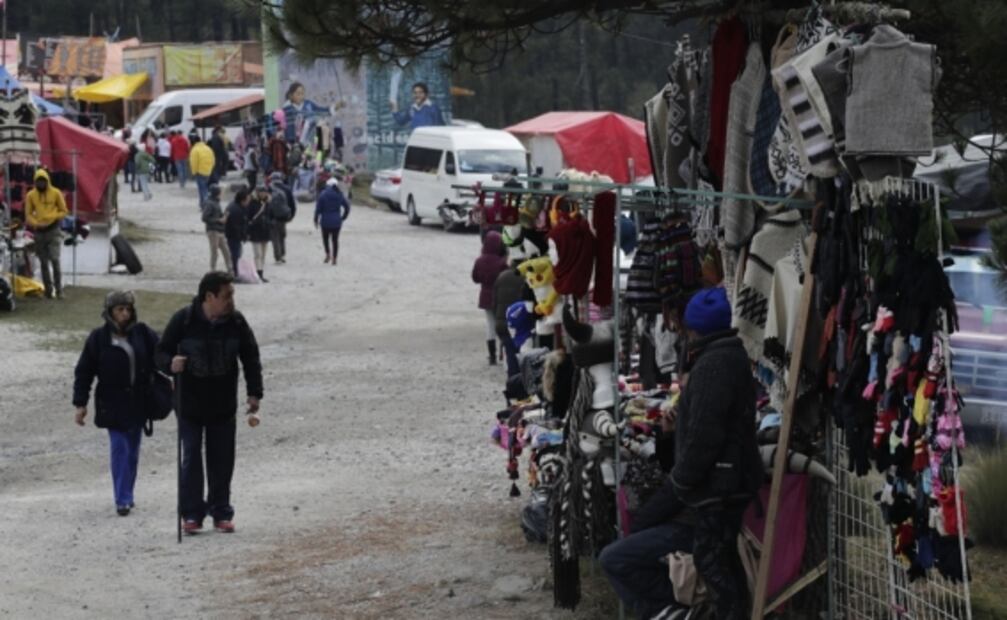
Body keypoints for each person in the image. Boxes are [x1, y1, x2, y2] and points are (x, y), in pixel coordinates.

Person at [670, 287, 763, 620]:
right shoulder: (728, 355)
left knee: (712, 561)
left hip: (721, 483)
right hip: (729, 477)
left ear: (697, 328)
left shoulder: (714, 364)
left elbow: (705, 435)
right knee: (723, 560)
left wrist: (682, 478)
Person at [157, 272, 263, 534]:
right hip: (189, 404)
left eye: (232, 295)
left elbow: (250, 357)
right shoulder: (183, 320)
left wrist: (254, 393)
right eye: (226, 296)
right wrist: (170, 364)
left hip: (223, 404)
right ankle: (192, 513)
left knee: (222, 459)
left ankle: (221, 511)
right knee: (191, 457)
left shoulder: (236, 322)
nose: (231, 301)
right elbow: (160, 352)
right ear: (209, 297)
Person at [73, 291, 160, 516]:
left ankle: (127, 493)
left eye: (128, 309)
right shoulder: (98, 339)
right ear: (110, 312)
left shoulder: (143, 334)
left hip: (139, 401)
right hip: (112, 403)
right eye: (120, 309)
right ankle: (122, 498)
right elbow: (84, 372)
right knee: (119, 449)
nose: (125, 313)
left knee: (132, 452)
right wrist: (80, 404)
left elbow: (162, 355)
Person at [25, 169, 69, 299]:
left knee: (55, 259)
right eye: (38, 182)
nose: (41, 184)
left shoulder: (56, 193)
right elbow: (28, 214)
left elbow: (64, 210)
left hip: (53, 230)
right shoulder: (30, 195)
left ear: (47, 181)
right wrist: (36, 223)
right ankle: (48, 291)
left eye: (43, 182)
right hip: (39, 232)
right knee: (43, 262)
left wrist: (53, 217)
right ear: (35, 182)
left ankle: (59, 290)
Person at [471, 230, 509, 365]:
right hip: (500, 297)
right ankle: (503, 353)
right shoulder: (501, 262)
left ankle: (492, 355)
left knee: (490, 325)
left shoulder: (479, 261)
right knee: (503, 324)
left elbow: (475, 278)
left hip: (485, 297)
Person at [492, 260, 527, 377]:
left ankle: (513, 381)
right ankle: (520, 384)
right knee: (521, 354)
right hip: (520, 323)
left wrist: (497, 317)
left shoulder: (501, 276)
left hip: (501, 323)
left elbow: (494, 302)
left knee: (510, 353)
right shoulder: (524, 277)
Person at [313, 177, 350, 265]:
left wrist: (315, 219)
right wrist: (343, 217)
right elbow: (347, 207)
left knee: (325, 239)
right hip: (337, 222)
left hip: (325, 222)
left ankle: (328, 254)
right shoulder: (339, 194)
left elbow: (318, 209)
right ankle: (334, 258)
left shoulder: (323, 194)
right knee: (335, 240)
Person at [201, 185, 233, 276]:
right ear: (217, 193)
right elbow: (204, 218)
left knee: (226, 251)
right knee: (214, 251)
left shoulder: (216, 202)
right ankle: (213, 269)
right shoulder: (210, 203)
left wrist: (224, 216)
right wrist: (218, 220)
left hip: (219, 230)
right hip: (213, 231)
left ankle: (230, 269)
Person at [248, 185, 274, 282]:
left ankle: (261, 273)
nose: (263, 194)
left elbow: (271, 215)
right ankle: (258, 274)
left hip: (265, 231)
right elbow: (249, 216)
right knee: (257, 254)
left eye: (265, 192)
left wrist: (270, 223)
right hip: (255, 231)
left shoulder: (268, 203)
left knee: (263, 254)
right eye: (262, 192)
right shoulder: (252, 203)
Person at [266, 173, 293, 264]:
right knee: (282, 236)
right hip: (283, 216)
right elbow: (292, 204)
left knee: (275, 237)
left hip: (273, 216)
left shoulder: (268, 189)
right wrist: (290, 215)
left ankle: (277, 257)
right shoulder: (287, 189)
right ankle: (282, 254)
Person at [224, 188, 251, 277]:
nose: (249, 202)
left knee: (236, 254)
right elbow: (237, 227)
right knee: (235, 255)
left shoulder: (236, 206)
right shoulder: (236, 210)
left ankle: (235, 272)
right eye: (247, 200)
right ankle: (235, 273)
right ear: (242, 200)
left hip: (233, 235)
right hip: (233, 236)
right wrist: (243, 236)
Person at [189, 136, 216, 208]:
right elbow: (213, 159)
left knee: (202, 189)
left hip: (200, 171)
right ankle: (202, 204)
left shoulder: (195, 150)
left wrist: (193, 172)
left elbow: (194, 162)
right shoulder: (208, 148)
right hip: (208, 171)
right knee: (205, 188)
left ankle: (206, 204)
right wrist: (210, 168)